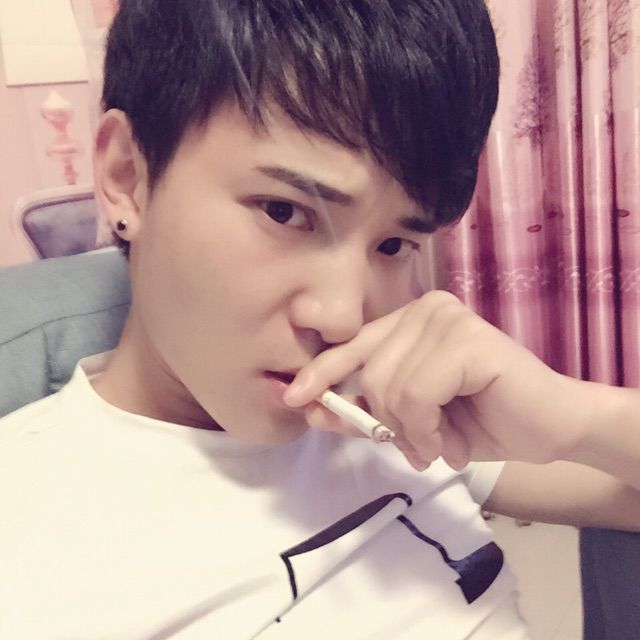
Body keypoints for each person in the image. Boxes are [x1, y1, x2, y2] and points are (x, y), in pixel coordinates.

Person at [1, 1, 639, 638]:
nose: (342, 317)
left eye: (394, 245)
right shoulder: (26, 521)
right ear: (126, 176)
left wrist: (576, 418)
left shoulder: (382, 418)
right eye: (283, 211)